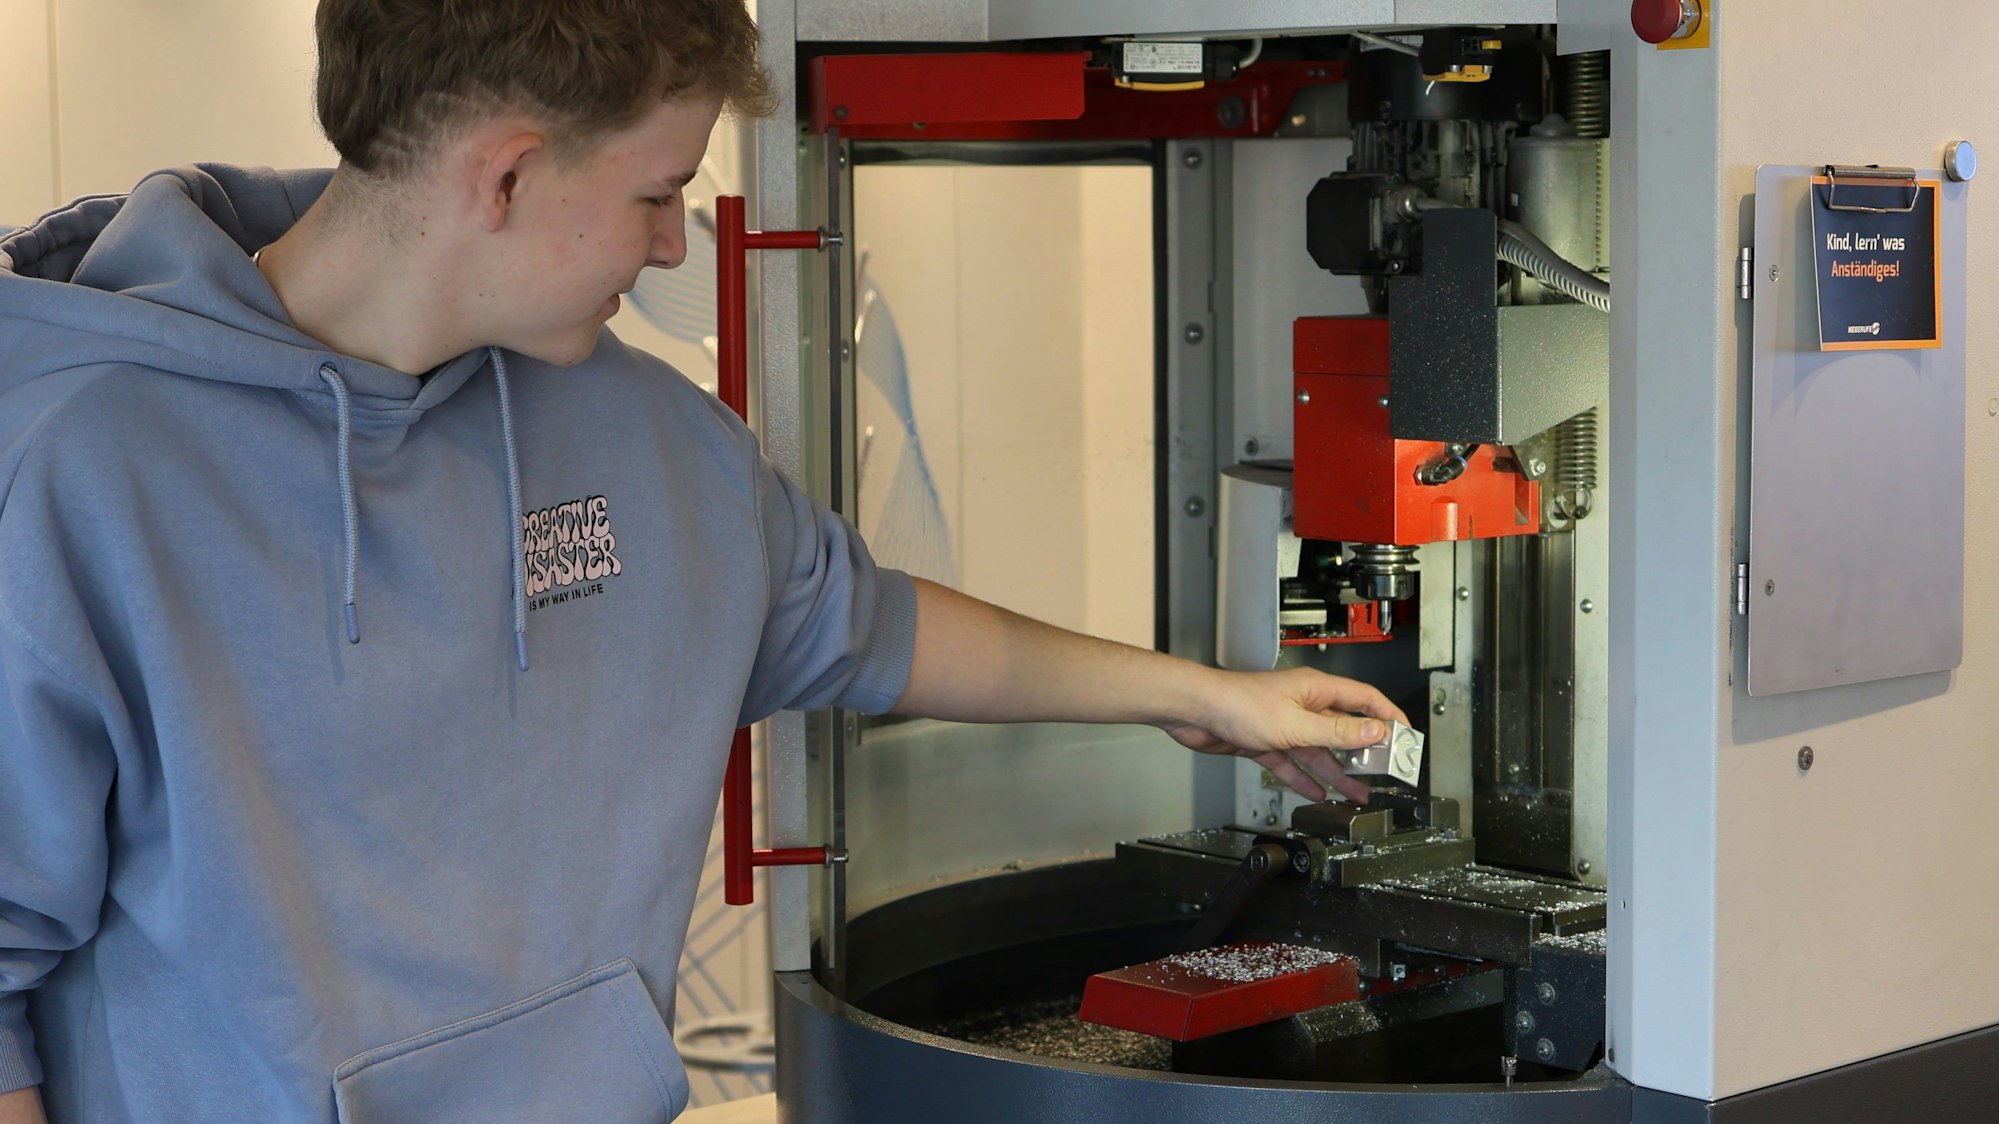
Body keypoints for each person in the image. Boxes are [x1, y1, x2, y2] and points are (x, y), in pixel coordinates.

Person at [0, 2, 1405, 1120]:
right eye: (658, 194)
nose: (679, 245)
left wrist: (1207, 698)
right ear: (506, 172)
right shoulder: (79, 470)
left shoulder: (645, 435)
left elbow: (860, 624)